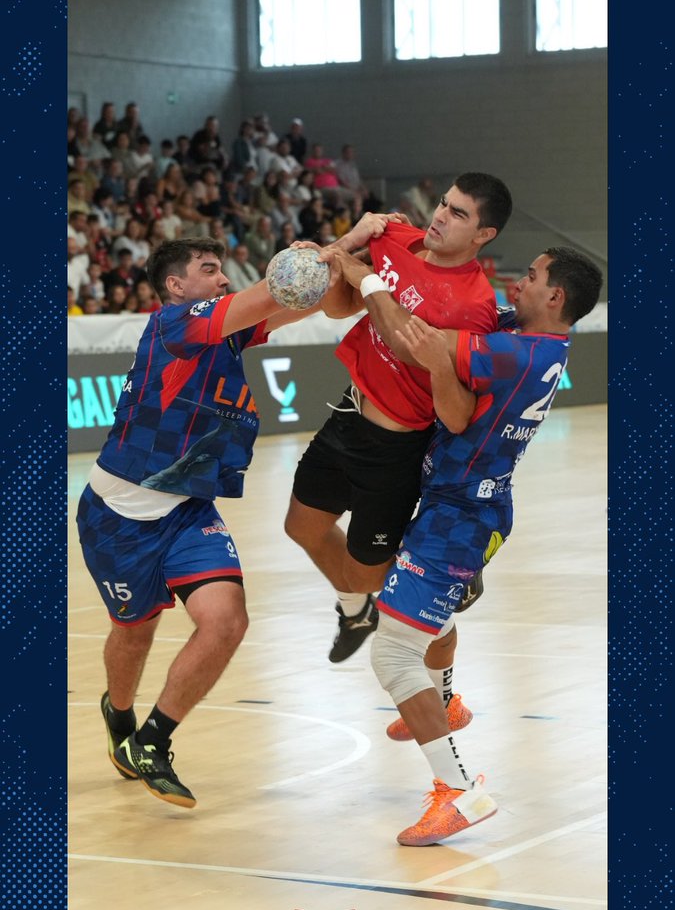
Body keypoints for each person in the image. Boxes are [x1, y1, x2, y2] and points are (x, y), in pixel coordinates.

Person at [332, 245, 602, 844]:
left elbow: (414, 339)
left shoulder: (514, 352)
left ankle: (461, 793)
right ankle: (446, 704)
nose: (520, 281)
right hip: (464, 504)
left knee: (393, 654)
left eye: (531, 277)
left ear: (555, 298)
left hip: (460, 516)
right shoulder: (532, 341)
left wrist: (364, 272)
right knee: (415, 630)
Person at [77, 237, 344, 810]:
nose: (222, 279)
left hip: (187, 508)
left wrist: (346, 263)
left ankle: (153, 741)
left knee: (226, 621)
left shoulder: (229, 333)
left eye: (223, 270)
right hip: (118, 516)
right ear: (177, 286)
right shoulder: (174, 324)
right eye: (209, 270)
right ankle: (118, 713)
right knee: (134, 630)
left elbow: (310, 302)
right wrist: (336, 246)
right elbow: (276, 289)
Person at [284, 174, 513, 667]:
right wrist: (346, 254)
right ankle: (355, 613)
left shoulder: (474, 306)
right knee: (301, 527)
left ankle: (436, 594)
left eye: (458, 214)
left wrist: (357, 269)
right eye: (443, 204)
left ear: (483, 235)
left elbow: (413, 353)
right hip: (347, 417)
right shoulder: (396, 242)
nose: (439, 216)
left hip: (395, 452)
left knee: (365, 574)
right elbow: (337, 307)